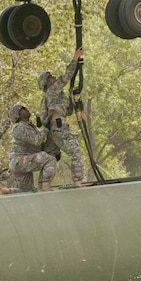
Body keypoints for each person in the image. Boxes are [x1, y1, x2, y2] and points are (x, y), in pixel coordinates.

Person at [37, 47, 85, 185]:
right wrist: (75, 58)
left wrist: (71, 97)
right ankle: (78, 182)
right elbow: (67, 76)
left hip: (53, 129)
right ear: (47, 83)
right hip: (59, 127)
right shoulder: (52, 90)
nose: (54, 77)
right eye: (50, 77)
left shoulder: (55, 95)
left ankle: (44, 184)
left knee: (50, 157)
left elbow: (68, 111)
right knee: (75, 151)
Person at [0, 102, 57, 194]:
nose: (26, 109)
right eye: (23, 108)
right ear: (18, 114)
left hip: (21, 163)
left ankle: (5, 190)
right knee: (50, 159)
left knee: (26, 190)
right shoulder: (19, 127)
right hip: (21, 161)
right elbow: (36, 141)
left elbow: (38, 145)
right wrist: (46, 129)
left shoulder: (29, 126)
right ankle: (45, 187)